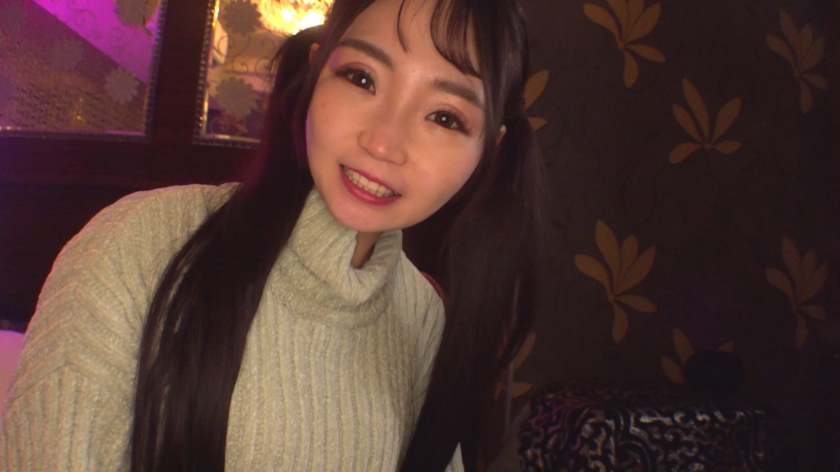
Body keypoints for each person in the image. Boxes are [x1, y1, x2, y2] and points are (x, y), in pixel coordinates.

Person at [0, 0, 545, 469]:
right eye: (362, 79)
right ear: (316, 72)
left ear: (489, 149)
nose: (383, 142)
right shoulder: (139, 244)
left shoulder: (426, 322)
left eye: (445, 117)